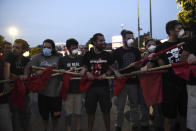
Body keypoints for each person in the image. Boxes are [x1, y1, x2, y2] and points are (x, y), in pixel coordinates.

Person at [155, 20, 187, 131]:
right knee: (168, 118)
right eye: (178, 28)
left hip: (185, 85)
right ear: (170, 31)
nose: (181, 31)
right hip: (169, 86)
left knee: (185, 117)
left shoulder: (186, 44)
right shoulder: (160, 47)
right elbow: (155, 64)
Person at [82, 33, 113, 131]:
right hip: (91, 88)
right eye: (101, 41)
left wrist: (106, 74)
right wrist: (87, 73)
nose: (103, 42)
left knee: (106, 111)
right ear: (94, 42)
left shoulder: (107, 54)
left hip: (104, 87)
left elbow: (111, 68)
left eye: (104, 40)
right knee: (90, 112)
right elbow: (84, 67)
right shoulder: (87, 54)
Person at [29, 39, 62, 131]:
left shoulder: (58, 58)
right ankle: (46, 129)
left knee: (55, 116)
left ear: (52, 48)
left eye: (49, 47)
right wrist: (36, 73)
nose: (46, 49)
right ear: (42, 47)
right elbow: (32, 72)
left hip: (56, 93)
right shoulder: (36, 58)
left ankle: (54, 129)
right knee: (44, 115)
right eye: (44, 47)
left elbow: (63, 72)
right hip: (43, 93)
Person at [112, 29, 141, 131]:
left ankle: (135, 124)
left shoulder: (136, 50)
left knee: (134, 105)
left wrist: (138, 67)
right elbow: (110, 65)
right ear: (124, 39)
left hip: (133, 82)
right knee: (120, 107)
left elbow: (139, 66)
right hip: (122, 83)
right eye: (129, 38)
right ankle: (118, 125)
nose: (131, 40)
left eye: (132, 38)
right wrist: (116, 72)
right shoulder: (117, 51)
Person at [4, 39, 31, 131]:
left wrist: (18, 76)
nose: (13, 49)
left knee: (25, 117)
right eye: (13, 46)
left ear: (23, 50)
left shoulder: (27, 60)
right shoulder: (9, 56)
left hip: (24, 92)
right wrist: (7, 83)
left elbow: (26, 75)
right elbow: (7, 68)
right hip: (12, 92)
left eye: (17, 47)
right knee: (14, 117)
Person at [58, 38, 83, 131]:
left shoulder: (81, 58)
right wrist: (62, 72)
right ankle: (68, 129)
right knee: (68, 114)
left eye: (76, 47)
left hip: (79, 90)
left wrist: (84, 69)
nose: (75, 49)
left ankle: (78, 128)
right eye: (73, 48)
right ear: (68, 49)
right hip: (67, 91)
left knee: (78, 113)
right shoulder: (63, 60)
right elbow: (60, 76)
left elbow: (85, 67)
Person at [180, 26, 196, 131]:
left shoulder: (191, 41)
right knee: (193, 106)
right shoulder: (192, 41)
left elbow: (183, 58)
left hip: (193, 80)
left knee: (193, 107)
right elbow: (183, 58)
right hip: (193, 80)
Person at [0, 41, 13, 131]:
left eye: (10, 48)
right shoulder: (1, 60)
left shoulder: (13, 59)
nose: (9, 50)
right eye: (7, 48)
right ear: (2, 49)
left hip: (8, 96)